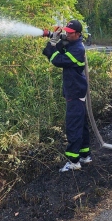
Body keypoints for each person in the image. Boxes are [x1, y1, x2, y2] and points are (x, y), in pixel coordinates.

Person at [42, 20, 92, 171]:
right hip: (76, 90)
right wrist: (55, 40)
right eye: (66, 32)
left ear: (77, 34)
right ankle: (85, 155)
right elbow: (60, 49)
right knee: (81, 125)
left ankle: (73, 162)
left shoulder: (77, 49)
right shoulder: (73, 44)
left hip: (75, 92)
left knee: (73, 126)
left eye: (70, 33)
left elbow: (57, 60)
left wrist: (52, 45)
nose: (67, 34)